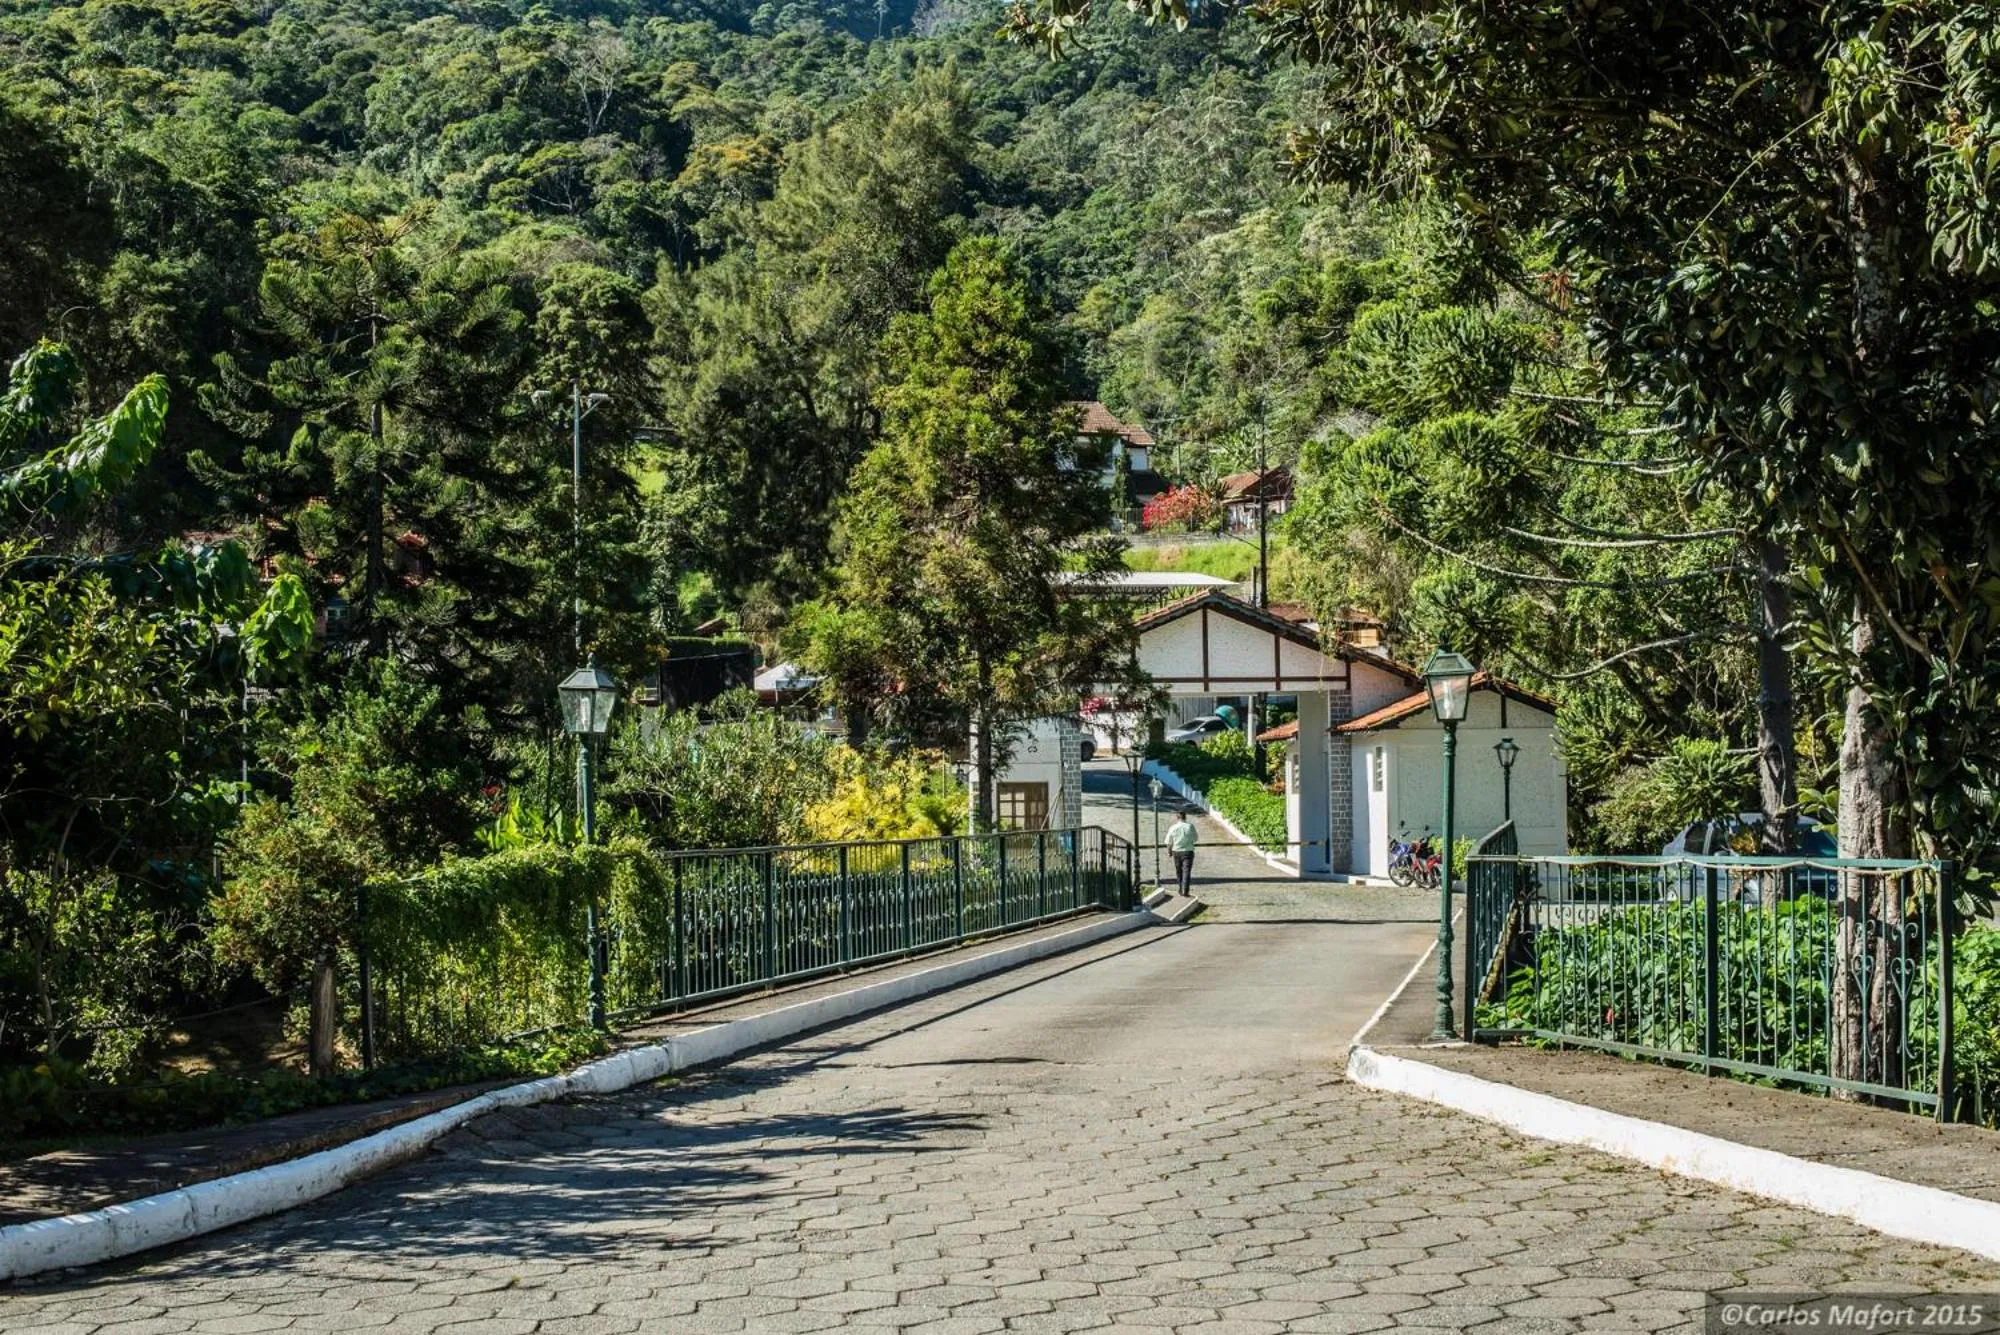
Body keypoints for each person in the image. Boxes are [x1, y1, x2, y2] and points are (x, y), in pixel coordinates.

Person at [1165, 810, 1198, 895]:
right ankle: (1185, 890)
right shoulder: (1190, 826)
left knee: (1179, 871)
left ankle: (1180, 888)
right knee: (1186, 871)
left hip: (1176, 852)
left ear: (1177, 818)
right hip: (1188, 851)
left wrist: (1169, 852)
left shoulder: (1173, 827)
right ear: (1185, 817)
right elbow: (1195, 839)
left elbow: (1169, 842)